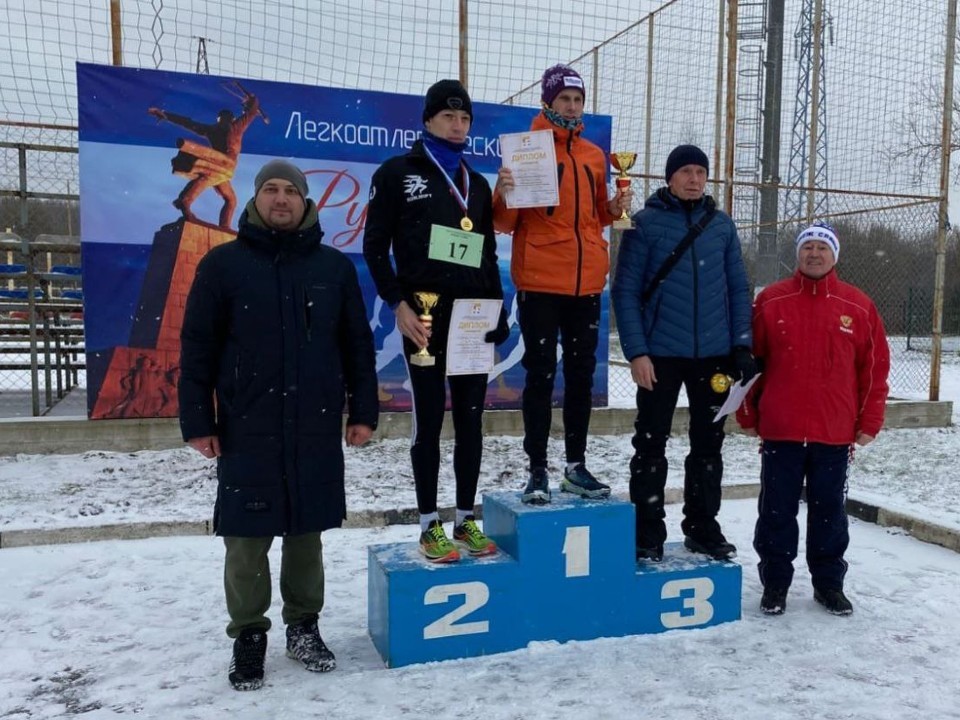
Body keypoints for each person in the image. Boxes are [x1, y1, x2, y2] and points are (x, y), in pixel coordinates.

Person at [178, 159, 378, 691]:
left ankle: (304, 626)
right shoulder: (222, 266)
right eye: (271, 189)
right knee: (246, 534)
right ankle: (248, 634)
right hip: (247, 421)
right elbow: (197, 347)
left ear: (307, 202)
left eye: (292, 191)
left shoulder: (333, 269)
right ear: (255, 199)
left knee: (306, 528)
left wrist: (362, 411)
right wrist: (198, 420)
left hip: (313, 421)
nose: (281, 198)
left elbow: (356, 344)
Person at [362, 80, 509, 563]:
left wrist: (497, 309)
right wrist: (398, 305)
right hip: (423, 313)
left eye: (465, 118)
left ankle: (466, 518)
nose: (458, 125)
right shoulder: (397, 172)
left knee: (470, 421)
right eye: (448, 117)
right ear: (428, 121)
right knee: (429, 418)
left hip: (470, 318)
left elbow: (486, 253)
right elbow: (373, 247)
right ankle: (429, 525)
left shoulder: (478, 184)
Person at [493, 64, 632, 505]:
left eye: (577, 100)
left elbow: (593, 216)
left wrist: (613, 207)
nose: (571, 106)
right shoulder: (527, 150)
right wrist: (503, 190)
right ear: (547, 102)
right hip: (539, 279)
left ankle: (576, 466)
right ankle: (537, 469)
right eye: (564, 99)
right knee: (539, 376)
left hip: (586, 282)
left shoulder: (593, 154)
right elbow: (504, 222)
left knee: (579, 377)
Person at [737, 222, 890, 616]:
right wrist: (747, 410)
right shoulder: (771, 301)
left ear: (834, 255)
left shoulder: (858, 306)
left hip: (834, 433)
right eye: (808, 247)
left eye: (823, 247)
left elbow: (873, 370)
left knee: (829, 513)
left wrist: (869, 419)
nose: (815, 254)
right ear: (798, 254)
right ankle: (775, 585)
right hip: (781, 429)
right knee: (776, 512)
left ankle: (828, 585)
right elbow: (750, 364)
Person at [612, 144, 754, 562]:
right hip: (660, 356)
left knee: (708, 446)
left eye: (700, 172)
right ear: (669, 178)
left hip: (713, 357)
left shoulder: (722, 227)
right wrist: (637, 352)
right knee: (651, 444)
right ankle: (647, 532)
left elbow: (737, 288)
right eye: (686, 171)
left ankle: (703, 527)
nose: (694, 179)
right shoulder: (645, 224)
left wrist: (741, 343)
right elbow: (625, 292)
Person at [148, 85, 262, 229]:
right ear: (231, 119)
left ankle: (224, 228)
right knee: (213, 182)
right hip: (224, 166)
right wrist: (251, 101)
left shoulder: (212, 129)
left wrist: (166, 115)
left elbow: (189, 123)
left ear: (220, 119)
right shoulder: (235, 127)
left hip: (217, 166)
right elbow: (251, 112)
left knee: (230, 199)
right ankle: (185, 200)